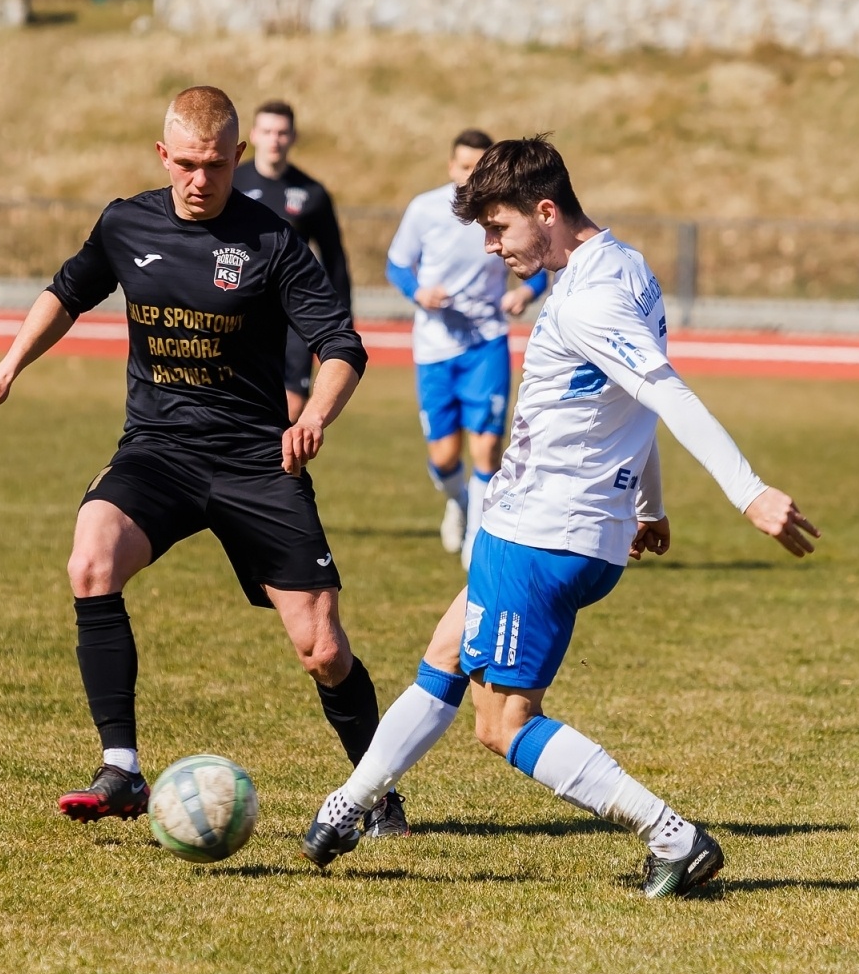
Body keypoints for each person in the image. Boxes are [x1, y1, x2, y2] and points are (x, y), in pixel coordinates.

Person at [299, 136, 821, 897]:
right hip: (570, 526)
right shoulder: (627, 268)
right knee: (445, 653)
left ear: (546, 212)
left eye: (499, 229)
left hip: (539, 532)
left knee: (502, 723)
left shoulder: (589, 299)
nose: (490, 247)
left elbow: (665, 393)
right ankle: (349, 805)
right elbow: (624, 408)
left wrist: (749, 491)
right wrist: (651, 504)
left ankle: (673, 836)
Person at [0, 86, 408, 837]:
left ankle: (375, 790)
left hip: (256, 460)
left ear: (238, 156)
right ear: (163, 155)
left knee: (323, 649)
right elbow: (68, 292)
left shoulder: (271, 240)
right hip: (158, 451)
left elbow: (343, 344)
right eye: (187, 164)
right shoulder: (125, 221)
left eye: (216, 165)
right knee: (91, 561)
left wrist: (317, 417)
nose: (201, 180)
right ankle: (122, 769)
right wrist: (9, 367)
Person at [386, 129, 547, 566]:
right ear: (450, 166)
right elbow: (397, 264)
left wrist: (523, 294)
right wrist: (419, 293)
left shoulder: (508, 212)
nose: (469, 175)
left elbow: (540, 269)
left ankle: (479, 534)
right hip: (435, 347)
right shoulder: (425, 209)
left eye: (479, 167)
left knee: (487, 450)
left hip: (487, 343)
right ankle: (457, 502)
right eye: (463, 166)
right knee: (444, 456)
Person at [233, 101, 352, 424]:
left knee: (290, 407)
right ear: (254, 135)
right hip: (242, 306)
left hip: (294, 314)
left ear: (293, 137)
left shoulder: (312, 193)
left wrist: (343, 320)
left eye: (282, 133)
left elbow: (334, 259)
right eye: (268, 131)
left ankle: (276, 468)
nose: (275, 139)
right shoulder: (231, 183)